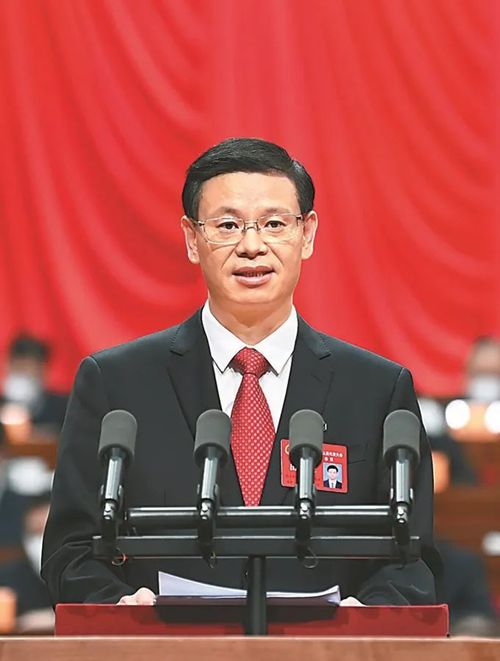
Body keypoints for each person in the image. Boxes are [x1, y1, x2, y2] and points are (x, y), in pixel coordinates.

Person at [42, 137, 438, 607]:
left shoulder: (377, 390)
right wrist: (125, 610)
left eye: (274, 224)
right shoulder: (116, 384)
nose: (252, 246)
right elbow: (70, 552)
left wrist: (364, 620)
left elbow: (413, 561)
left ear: (307, 234)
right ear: (192, 239)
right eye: (227, 225)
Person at [1, 334, 68, 433]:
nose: (23, 375)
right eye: (19, 368)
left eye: (29, 369)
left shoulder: (63, 409)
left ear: (43, 371)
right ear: (7, 366)